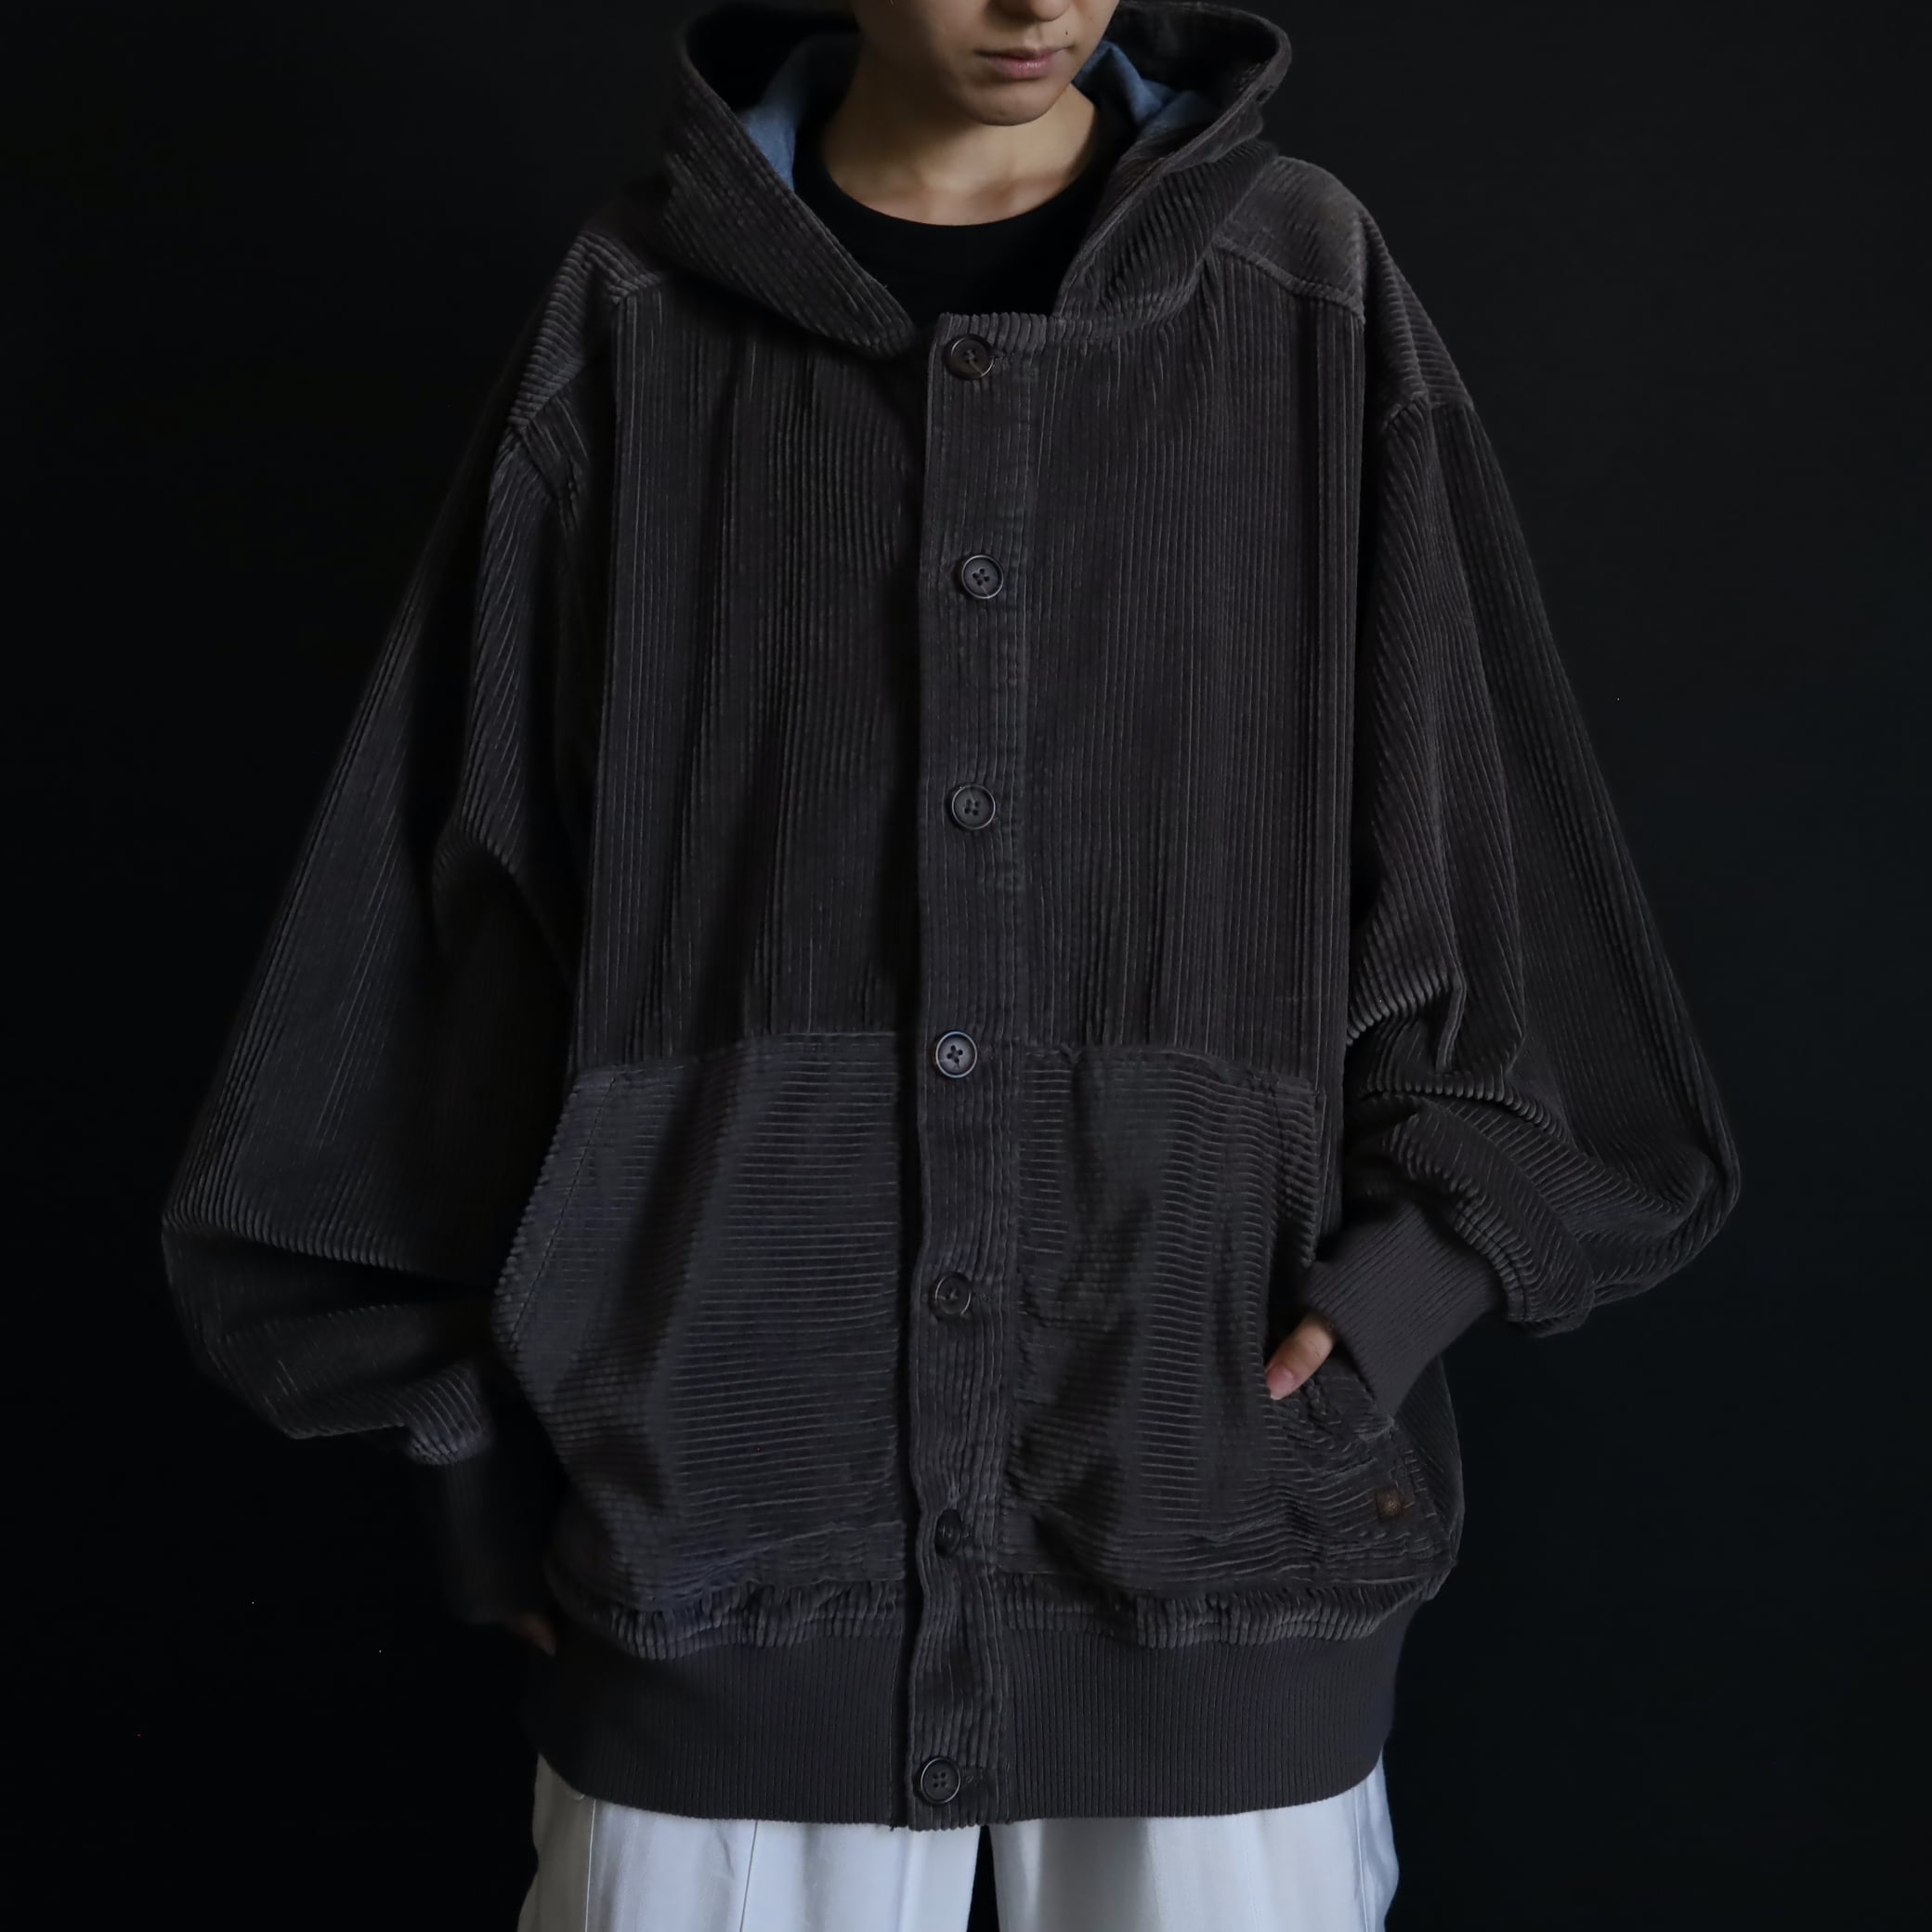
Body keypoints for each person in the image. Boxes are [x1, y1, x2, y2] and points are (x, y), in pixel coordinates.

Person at [157, 2, 1743, 1927]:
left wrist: (1397, 1286)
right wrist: (473, 1431)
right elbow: (453, 909)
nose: (1036, 5)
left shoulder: (1301, 289)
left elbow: (1481, 848)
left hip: (1211, 1489)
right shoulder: (637, 311)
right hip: (717, 1509)